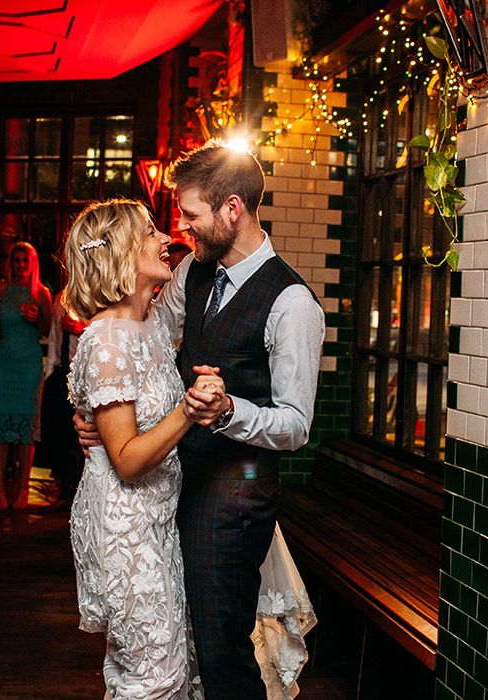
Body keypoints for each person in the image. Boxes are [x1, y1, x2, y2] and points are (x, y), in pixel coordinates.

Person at [76, 140, 325, 699]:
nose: (182, 229)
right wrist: (98, 413)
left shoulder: (293, 304)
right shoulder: (193, 270)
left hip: (233, 503)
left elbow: (295, 425)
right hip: (170, 489)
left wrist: (230, 410)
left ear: (231, 209)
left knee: (220, 652)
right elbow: (141, 346)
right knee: (183, 646)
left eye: (190, 215)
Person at [64, 198, 222, 698]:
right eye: (151, 232)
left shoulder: (153, 320)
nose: (165, 239)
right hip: (123, 527)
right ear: (120, 253)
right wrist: (189, 411)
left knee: (162, 663)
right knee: (155, 675)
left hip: (157, 519)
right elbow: (128, 461)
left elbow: (201, 254)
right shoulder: (108, 341)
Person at [0, 241, 52, 510]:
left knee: (26, 427)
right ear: (10, 263)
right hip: (2, 363)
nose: (21, 266)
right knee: (1, 425)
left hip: (28, 364)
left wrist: (35, 318)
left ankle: (23, 489)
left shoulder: (41, 293)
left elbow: (49, 329)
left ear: (33, 264)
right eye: (17, 261)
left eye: (26, 261)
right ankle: (1, 491)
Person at [39, 289, 87, 509]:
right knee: (59, 431)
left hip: (83, 372)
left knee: (81, 435)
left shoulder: (93, 292)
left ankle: (79, 492)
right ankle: (66, 489)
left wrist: (81, 329)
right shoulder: (61, 297)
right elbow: (54, 336)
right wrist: (50, 370)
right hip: (61, 371)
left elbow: (110, 331)